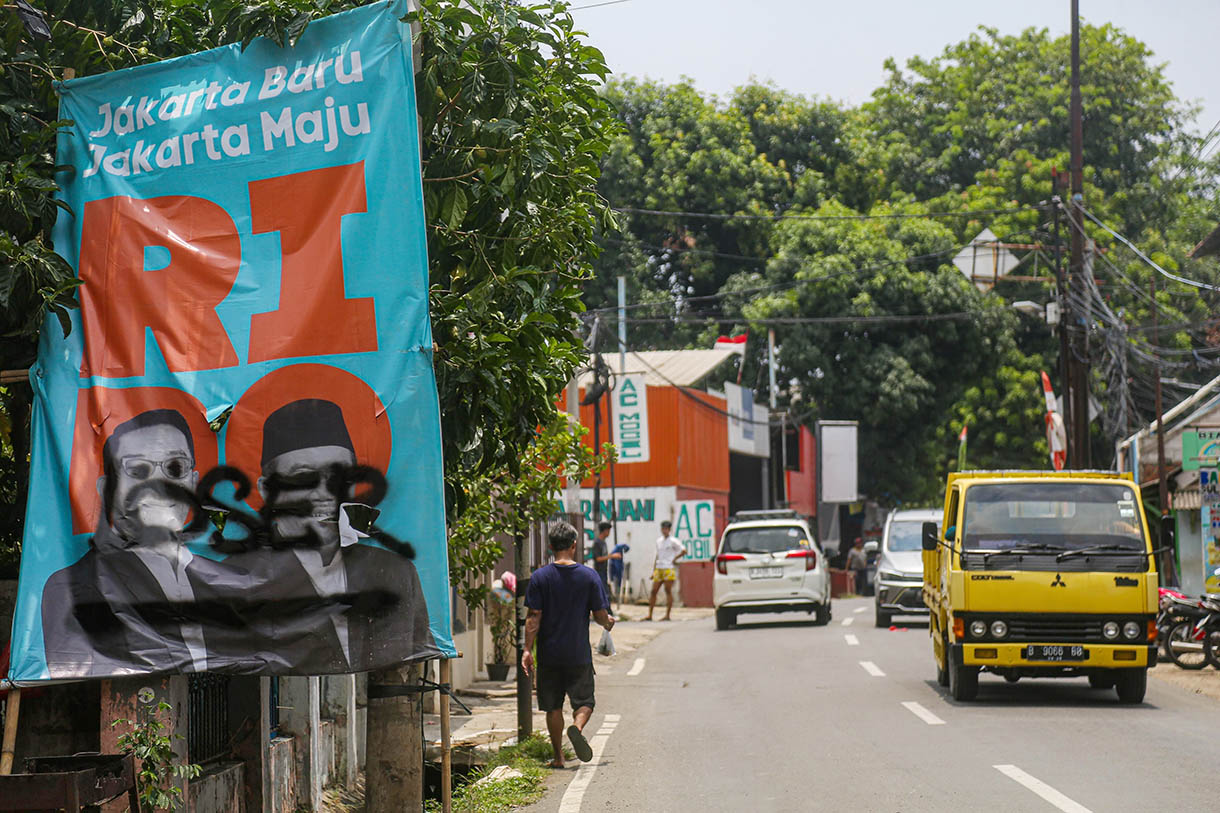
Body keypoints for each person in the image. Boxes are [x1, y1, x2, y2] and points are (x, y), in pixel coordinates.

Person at [41, 408, 247, 678]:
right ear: (106, 489)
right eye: (138, 470)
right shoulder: (72, 589)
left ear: (194, 484)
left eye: (175, 468)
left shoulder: (221, 585)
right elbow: (76, 677)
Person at [242, 398, 438, 673]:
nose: (325, 493)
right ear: (266, 490)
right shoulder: (240, 579)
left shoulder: (395, 574)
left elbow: (413, 661)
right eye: (303, 476)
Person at [522, 520, 614, 768]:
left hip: (549, 655)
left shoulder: (540, 577)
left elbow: (533, 617)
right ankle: (577, 726)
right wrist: (609, 623)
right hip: (578, 654)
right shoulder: (589, 576)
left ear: (550, 546)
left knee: (552, 707)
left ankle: (558, 757)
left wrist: (527, 649)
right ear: (574, 545)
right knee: (585, 702)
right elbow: (600, 615)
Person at [647, 520, 685, 621]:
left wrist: (675, 559)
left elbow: (684, 550)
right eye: (663, 529)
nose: (664, 531)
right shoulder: (659, 541)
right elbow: (657, 556)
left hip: (668, 568)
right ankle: (650, 615)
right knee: (653, 591)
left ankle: (667, 615)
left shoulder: (673, 541)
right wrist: (653, 571)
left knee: (668, 591)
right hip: (659, 568)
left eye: (666, 529)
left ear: (669, 530)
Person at [587, 521, 619, 607]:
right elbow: (598, 559)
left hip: (604, 571)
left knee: (604, 592)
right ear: (604, 531)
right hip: (599, 571)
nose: (609, 533)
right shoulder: (597, 543)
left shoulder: (603, 543)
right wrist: (612, 556)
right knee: (603, 592)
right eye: (608, 531)